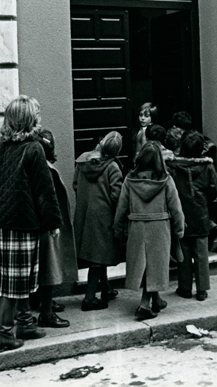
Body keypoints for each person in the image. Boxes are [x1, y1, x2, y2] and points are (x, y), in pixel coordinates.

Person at [0, 95, 63, 352]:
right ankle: (4, 334)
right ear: (29, 120)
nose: (39, 118)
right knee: (15, 282)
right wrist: (53, 223)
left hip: (0, 224)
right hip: (23, 224)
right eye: (36, 114)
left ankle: (26, 323)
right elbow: (44, 191)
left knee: (19, 278)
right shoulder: (33, 149)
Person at [113, 142, 185, 320]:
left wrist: (118, 229)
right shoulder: (166, 180)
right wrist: (179, 229)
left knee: (145, 265)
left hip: (137, 228)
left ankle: (157, 300)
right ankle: (144, 305)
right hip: (159, 228)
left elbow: (121, 208)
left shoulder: (129, 180)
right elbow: (176, 208)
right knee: (154, 265)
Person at [167, 131, 217, 301]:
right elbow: (214, 190)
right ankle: (202, 290)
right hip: (201, 214)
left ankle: (184, 288)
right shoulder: (207, 167)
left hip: (181, 213)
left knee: (183, 253)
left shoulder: (174, 166)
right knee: (201, 254)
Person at [73, 131, 123, 311]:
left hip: (84, 213)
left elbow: (75, 186)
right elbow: (116, 195)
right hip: (103, 216)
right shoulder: (113, 168)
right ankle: (89, 297)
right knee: (98, 257)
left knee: (97, 254)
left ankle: (106, 288)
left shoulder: (82, 162)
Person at [32, 128, 76, 328]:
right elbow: (49, 198)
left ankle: (42, 303)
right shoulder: (46, 169)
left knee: (43, 268)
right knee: (49, 268)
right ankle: (46, 311)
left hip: (40, 222)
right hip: (47, 224)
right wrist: (54, 224)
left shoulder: (40, 165)